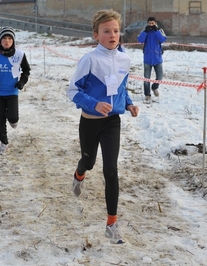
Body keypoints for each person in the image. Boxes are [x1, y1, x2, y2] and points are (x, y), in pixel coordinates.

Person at [67, 9, 139, 245]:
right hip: (90, 121)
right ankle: (79, 175)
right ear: (96, 35)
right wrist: (94, 104)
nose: (112, 35)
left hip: (112, 123)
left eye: (116, 31)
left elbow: (121, 89)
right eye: (106, 31)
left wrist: (128, 104)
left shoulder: (125, 59)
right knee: (89, 162)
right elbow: (73, 91)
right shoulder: (89, 60)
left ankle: (111, 223)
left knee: (111, 170)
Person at [0, 27, 31, 155]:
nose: (7, 41)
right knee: (0, 118)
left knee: (13, 117)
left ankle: (13, 120)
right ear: (0, 40)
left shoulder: (20, 55)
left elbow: (26, 71)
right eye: (4, 38)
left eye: (9, 38)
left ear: (13, 41)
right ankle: (4, 142)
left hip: (12, 91)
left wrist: (21, 82)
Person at [137, 16, 166, 103]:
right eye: (149, 23)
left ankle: (154, 87)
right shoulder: (144, 31)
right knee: (146, 78)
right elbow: (140, 40)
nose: (151, 25)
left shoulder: (159, 31)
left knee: (160, 76)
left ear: (155, 23)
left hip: (157, 58)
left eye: (152, 23)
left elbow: (162, 39)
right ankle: (147, 95)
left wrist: (156, 30)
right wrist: (145, 31)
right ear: (147, 23)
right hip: (147, 58)